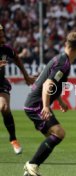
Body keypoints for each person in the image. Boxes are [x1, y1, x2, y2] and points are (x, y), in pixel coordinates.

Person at [23, 32, 76, 176]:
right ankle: (32, 165)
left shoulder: (61, 59)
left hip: (34, 103)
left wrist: (60, 101)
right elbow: (48, 84)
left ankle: (31, 170)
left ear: (65, 45)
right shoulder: (64, 63)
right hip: (36, 105)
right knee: (59, 133)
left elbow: (53, 86)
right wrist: (45, 106)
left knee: (53, 136)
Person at [0, 24, 35, 154]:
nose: (2, 37)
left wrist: (26, 76)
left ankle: (13, 139)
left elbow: (17, 59)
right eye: (0, 34)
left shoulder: (6, 49)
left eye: (2, 34)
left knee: (4, 107)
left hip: (0, 84)